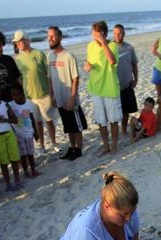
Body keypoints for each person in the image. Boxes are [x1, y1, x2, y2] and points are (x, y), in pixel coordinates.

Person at [12, 30, 59, 154]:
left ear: (27, 40)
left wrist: (52, 93)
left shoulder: (39, 54)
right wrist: (25, 87)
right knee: (37, 122)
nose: (18, 44)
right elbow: (18, 77)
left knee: (49, 121)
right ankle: (42, 146)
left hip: (44, 94)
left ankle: (54, 143)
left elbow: (48, 75)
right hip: (30, 97)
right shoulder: (18, 59)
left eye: (20, 41)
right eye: (16, 42)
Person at [47, 26, 87, 161]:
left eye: (53, 36)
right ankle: (72, 148)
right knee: (68, 126)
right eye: (48, 36)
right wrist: (52, 95)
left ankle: (79, 149)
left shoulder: (69, 56)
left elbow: (75, 78)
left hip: (70, 98)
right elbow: (50, 78)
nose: (50, 39)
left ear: (60, 37)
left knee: (76, 126)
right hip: (58, 98)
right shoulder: (50, 56)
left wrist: (72, 97)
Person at [85, 21, 121, 154]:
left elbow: (112, 61)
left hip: (110, 88)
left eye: (97, 33)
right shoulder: (90, 45)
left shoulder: (112, 45)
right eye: (93, 33)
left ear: (104, 34)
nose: (94, 36)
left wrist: (103, 42)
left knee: (113, 120)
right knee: (101, 121)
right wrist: (87, 66)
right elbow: (89, 61)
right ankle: (106, 146)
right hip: (95, 88)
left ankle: (114, 146)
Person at [9, 82, 40, 178]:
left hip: (29, 133)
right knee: (23, 154)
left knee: (30, 153)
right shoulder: (10, 105)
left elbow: (31, 118)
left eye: (18, 94)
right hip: (19, 134)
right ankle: (26, 171)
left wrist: (35, 132)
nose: (16, 97)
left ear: (22, 94)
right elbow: (10, 120)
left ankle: (33, 169)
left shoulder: (28, 104)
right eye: (13, 95)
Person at [113, 24, 139, 135]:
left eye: (120, 33)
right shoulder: (109, 48)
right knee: (114, 112)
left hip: (127, 84)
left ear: (124, 34)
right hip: (114, 86)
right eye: (115, 33)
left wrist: (136, 79)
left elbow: (134, 64)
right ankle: (115, 131)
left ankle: (123, 130)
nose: (118, 36)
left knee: (126, 112)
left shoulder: (129, 48)